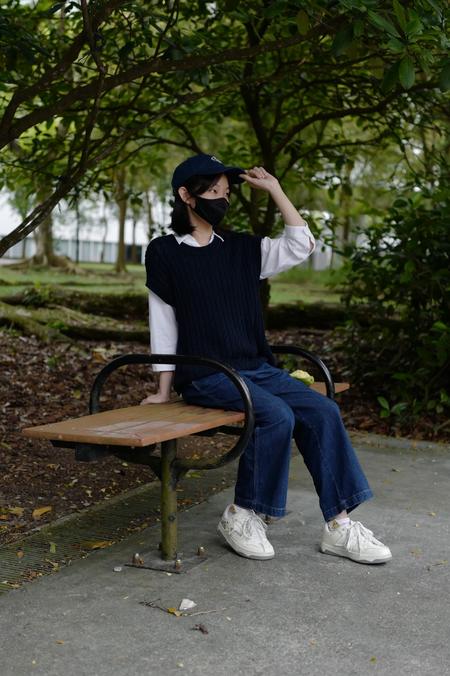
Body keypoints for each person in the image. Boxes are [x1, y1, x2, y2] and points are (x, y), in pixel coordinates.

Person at [142, 153, 392, 565]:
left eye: (226, 192)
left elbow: (301, 244)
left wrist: (275, 189)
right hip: (206, 374)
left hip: (256, 367)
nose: (222, 199)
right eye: (213, 191)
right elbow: (163, 321)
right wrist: (164, 389)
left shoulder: (244, 248)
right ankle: (243, 514)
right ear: (186, 195)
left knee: (323, 411)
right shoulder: (164, 252)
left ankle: (340, 526)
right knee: (276, 415)